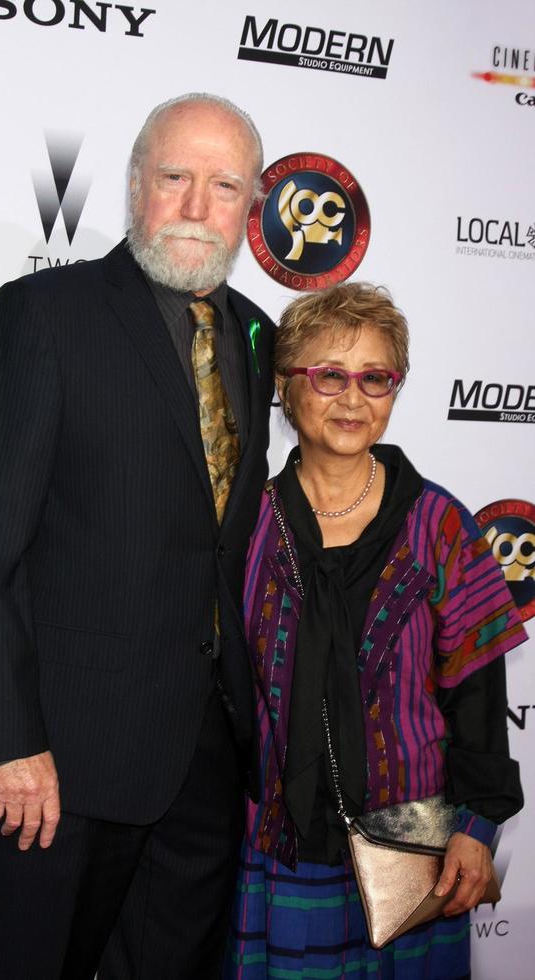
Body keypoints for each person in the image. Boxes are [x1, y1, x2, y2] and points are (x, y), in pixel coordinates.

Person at [0, 93, 275, 980]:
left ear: (251, 206)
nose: (198, 207)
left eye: (224, 185)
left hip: (203, 763)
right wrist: (7, 743)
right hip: (61, 765)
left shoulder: (256, 337)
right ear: (134, 186)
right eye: (176, 178)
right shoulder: (45, 314)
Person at [225, 282, 526, 979]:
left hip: (415, 855)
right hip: (281, 851)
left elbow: (477, 702)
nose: (352, 398)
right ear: (285, 386)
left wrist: (478, 831)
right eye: (329, 375)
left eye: (375, 377)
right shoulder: (247, 527)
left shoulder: (440, 525)